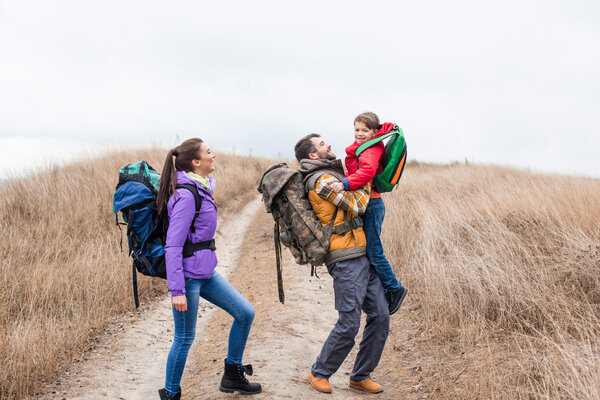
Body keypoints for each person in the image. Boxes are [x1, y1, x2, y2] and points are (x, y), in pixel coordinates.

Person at [155, 138, 261, 399]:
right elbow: (173, 246)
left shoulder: (201, 188)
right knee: (184, 338)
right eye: (208, 152)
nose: (213, 155)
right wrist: (177, 289)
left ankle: (232, 374)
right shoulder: (187, 195)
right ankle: (170, 394)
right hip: (188, 279)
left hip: (205, 272)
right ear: (196, 162)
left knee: (245, 313)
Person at [295, 134, 390, 394]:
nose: (329, 145)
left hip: (363, 253)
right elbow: (358, 205)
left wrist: (354, 178)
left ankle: (360, 375)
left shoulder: (335, 176)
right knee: (349, 322)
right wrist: (365, 176)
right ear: (312, 155)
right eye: (322, 144)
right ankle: (319, 373)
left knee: (380, 316)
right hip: (345, 257)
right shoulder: (322, 181)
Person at [329, 111, 407, 315]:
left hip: (372, 204)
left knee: (373, 249)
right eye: (357, 129)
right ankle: (378, 288)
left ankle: (394, 287)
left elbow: (367, 173)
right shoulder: (363, 147)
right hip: (367, 202)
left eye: (365, 130)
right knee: (367, 248)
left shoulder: (371, 149)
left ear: (374, 131)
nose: (360, 133)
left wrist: (344, 184)